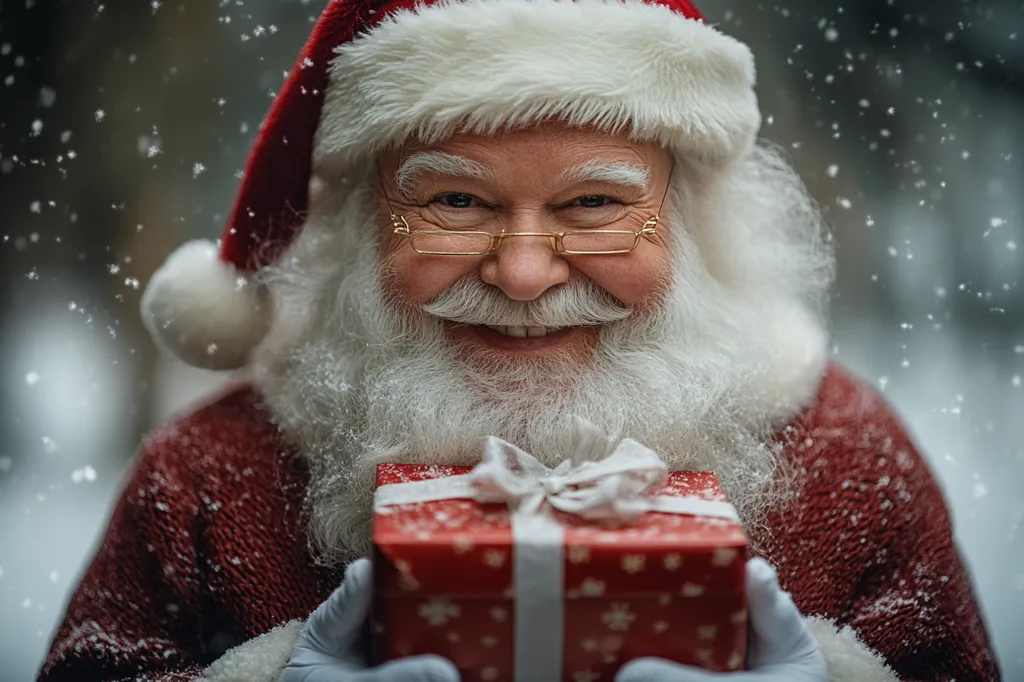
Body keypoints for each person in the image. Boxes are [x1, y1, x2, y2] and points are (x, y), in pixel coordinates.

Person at [39, 0, 1000, 680]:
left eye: (594, 204)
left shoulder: (848, 458)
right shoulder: (209, 477)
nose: (526, 274)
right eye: (455, 200)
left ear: (697, 226)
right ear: (366, 227)